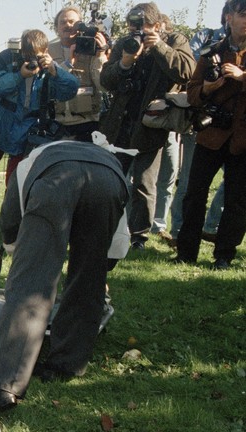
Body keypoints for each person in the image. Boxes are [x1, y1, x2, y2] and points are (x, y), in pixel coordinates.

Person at [0, 140, 129, 412]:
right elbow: (117, 241)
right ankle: (68, 364)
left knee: (32, 285)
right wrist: (100, 266)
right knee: (89, 280)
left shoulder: (28, 162)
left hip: (57, 182)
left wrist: (18, 249)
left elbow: (10, 220)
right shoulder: (106, 157)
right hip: (110, 182)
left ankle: (4, 386)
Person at [0, 30, 79, 230]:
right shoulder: (7, 59)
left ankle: (9, 223)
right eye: (26, 55)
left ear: (45, 52)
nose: (30, 60)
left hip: (27, 132)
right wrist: (20, 75)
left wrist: (55, 70)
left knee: (14, 181)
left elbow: (71, 89)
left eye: (35, 56)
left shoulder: (49, 67)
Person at [99, 2, 195, 250]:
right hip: (119, 123)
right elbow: (106, 79)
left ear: (157, 25)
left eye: (142, 26)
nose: (137, 31)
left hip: (150, 125)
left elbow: (187, 72)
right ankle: (106, 227)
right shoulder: (125, 43)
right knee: (112, 178)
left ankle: (138, 237)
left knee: (143, 183)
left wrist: (160, 47)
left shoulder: (174, 40)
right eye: (133, 26)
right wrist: (125, 62)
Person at [175, 0, 246, 270]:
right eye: (242, 14)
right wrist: (206, 88)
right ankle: (186, 252)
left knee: (237, 200)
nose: (245, 20)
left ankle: (224, 256)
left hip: (242, 139)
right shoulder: (212, 52)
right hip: (212, 132)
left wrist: (241, 77)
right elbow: (191, 92)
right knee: (194, 194)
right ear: (228, 17)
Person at [169, 4, 231, 247]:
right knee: (190, 183)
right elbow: (191, 72)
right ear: (228, 15)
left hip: (237, 125)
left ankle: (212, 226)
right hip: (203, 118)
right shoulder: (206, 37)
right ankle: (179, 234)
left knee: (234, 185)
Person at [49, 4, 109, 141]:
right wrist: (68, 63)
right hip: (57, 124)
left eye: (72, 22)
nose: (67, 25)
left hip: (88, 123)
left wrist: (100, 55)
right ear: (57, 28)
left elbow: (103, 86)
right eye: (62, 22)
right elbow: (46, 84)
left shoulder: (92, 49)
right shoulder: (48, 51)